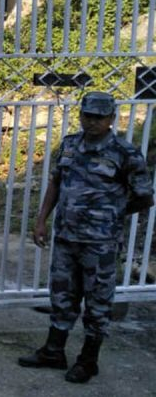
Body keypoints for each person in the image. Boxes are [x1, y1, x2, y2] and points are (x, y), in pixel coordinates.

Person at [18, 92, 153, 383]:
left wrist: (113, 213)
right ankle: (54, 351)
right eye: (86, 115)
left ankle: (88, 360)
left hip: (100, 244)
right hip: (67, 237)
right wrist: (41, 220)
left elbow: (144, 197)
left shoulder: (125, 154)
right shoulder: (69, 145)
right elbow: (56, 182)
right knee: (62, 297)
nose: (91, 122)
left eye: (98, 117)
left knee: (97, 303)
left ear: (111, 120)